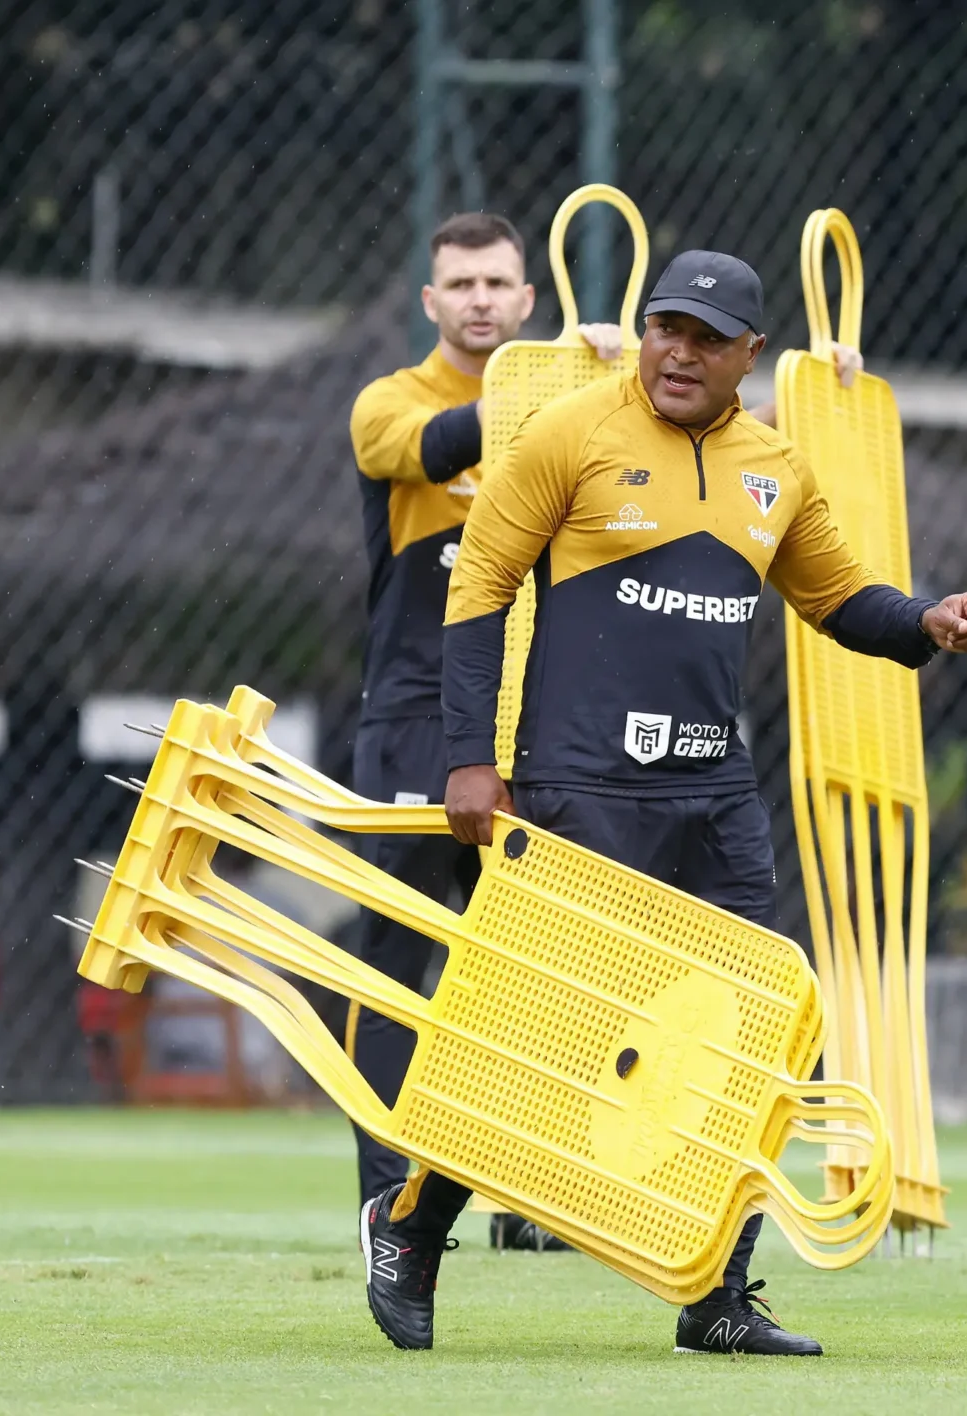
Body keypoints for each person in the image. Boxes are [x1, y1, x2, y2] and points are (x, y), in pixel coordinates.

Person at [358, 248, 967, 1353]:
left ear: (751, 355)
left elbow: (837, 597)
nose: (679, 353)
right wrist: (472, 758)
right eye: (666, 328)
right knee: (547, 1034)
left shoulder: (776, 466)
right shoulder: (571, 431)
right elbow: (482, 584)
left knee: (748, 1038)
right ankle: (413, 1228)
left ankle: (717, 1296)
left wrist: (924, 625)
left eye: (708, 339)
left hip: (712, 792)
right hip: (580, 784)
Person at [347, 211, 624, 1252]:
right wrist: (565, 383)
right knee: (394, 956)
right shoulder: (391, 403)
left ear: (527, 298)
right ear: (431, 300)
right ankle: (388, 1203)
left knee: (538, 966)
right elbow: (432, 448)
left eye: (496, 283)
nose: (478, 299)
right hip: (416, 719)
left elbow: (707, 429)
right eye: (459, 284)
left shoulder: (573, 403)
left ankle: (527, 1196)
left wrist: (818, 388)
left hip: (534, 721)